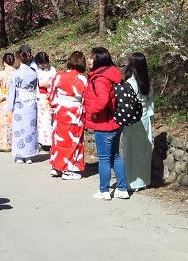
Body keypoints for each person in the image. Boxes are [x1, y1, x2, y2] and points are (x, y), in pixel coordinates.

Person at [85, 46, 129, 200]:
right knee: (115, 156)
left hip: (104, 124)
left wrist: (92, 111)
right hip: (115, 122)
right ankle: (122, 188)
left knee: (104, 158)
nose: (88, 60)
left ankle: (104, 190)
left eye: (91, 57)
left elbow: (103, 99)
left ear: (99, 59)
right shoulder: (111, 74)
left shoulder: (100, 78)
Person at [49, 51, 88, 180]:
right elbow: (85, 99)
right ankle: (69, 170)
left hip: (60, 110)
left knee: (58, 139)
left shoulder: (59, 76)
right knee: (73, 141)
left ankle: (56, 167)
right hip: (75, 112)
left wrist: (56, 105)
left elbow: (52, 96)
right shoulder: (82, 79)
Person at [121, 52, 155, 191]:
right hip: (145, 117)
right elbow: (151, 102)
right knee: (143, 151)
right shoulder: (146, 82)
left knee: (131, 151)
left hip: (133, 120)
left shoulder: (130, 83)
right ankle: (143, 180)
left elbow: (126, 103)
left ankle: (132, 182)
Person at [7, 49, 39, 164]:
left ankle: (20, 155)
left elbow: (12, 92)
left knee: (19, 128)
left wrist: (10, 107)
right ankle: (29, 155)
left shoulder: (16, 74)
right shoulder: (33, 72)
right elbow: (37, 88)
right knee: (30, 129)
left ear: (18, 59)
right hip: (32, 102)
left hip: (20, 103)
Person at [35, 51, 57, 152]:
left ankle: (49, 141)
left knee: (48, 120)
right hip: (38, 96)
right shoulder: (34, 69)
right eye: (41, 63)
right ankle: (40, 140)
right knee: (38, 120)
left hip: (49, 97)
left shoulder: (52, 70)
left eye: (45, 63)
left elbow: (55, 82)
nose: (43, 65)